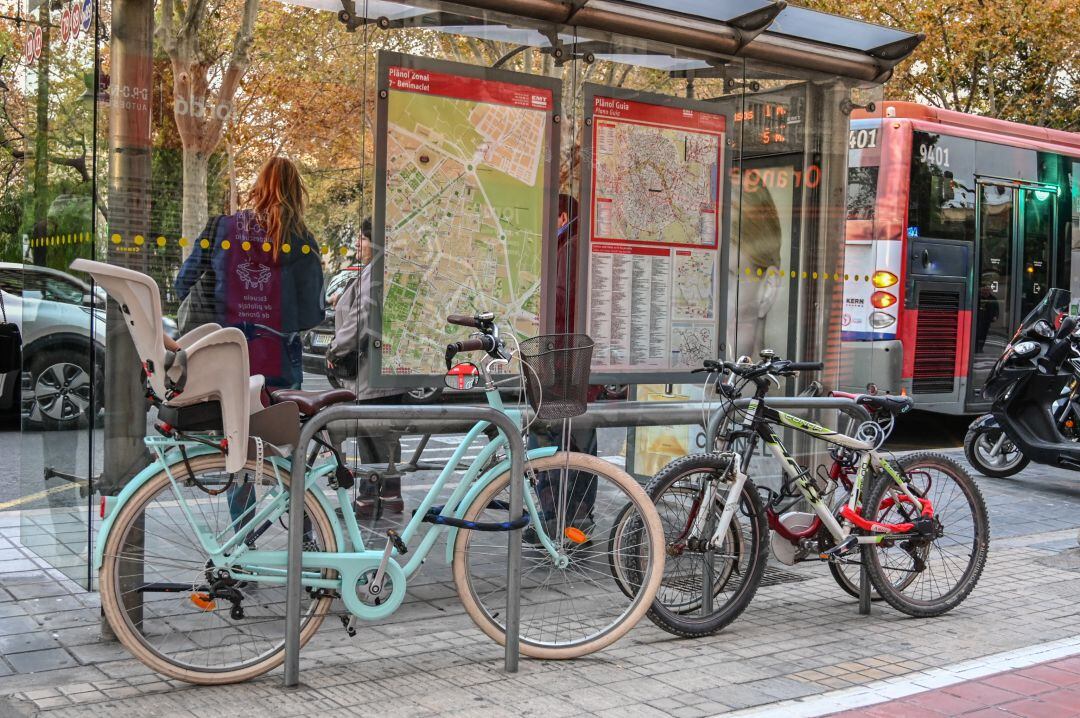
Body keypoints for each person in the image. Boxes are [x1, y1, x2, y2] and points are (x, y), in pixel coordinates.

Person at [175, 156, 325, 531]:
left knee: (238, 448)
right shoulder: (302, 241)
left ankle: (240, 543)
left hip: (231, 363)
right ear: (297, 192)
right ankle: (306, 538)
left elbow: (183, 283)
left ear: (257, 187)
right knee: (288, 450)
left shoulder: (221, 227)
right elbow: (313, 313)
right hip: (279, 366)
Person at [526, 193, 600, 541]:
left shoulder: (568, 250)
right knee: (575, 444)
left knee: (559, 443)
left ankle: (562, 521)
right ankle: (570, 521)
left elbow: (557, 309)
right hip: (572, 365)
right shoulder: (574, 246)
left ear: (562, 217)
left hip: (563, 365)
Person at [327, 218, 408, 516]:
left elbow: (361, 317)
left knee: (373, 437)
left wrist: (335, 349)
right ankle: (387, 494)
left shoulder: (378, 272)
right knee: (382, 437)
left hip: (371, 370)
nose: (358, 244)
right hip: (377, 369)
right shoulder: (379, 269)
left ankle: (370, 497)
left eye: (362, 238)